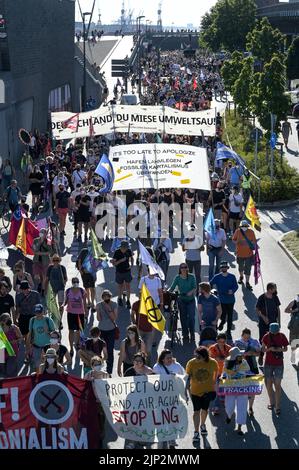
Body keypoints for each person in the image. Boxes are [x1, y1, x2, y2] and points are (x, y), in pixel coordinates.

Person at [153, 349, 185, 449]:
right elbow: (154, 382)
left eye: (171, 357)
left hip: (174, 397)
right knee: (161, 419)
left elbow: (184, 378)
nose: (170, 359)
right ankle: (161, 440)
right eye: (168, 358)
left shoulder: (177, 366)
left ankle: (172, 438)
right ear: (162, 359)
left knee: (173, 418)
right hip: (160, 398)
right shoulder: (157, 367)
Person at [186, 346, 218, 444]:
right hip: (195, 392)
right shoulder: (191, 363)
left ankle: (203, 425)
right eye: (196, 356)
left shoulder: (213, 363)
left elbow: (215, 376)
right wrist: (187, 391)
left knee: (205, 410)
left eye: (199, 357)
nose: (197, 359)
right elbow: (187, 377)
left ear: (205, 356)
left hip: (207, 391)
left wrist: (214, 390)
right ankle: (196, 432)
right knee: (196, 411)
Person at [223, 347, 251, 435]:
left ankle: (239, 427)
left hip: (242, 388)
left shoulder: (244, 362)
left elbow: (247, 371)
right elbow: (224, 373)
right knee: (229, 405)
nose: (241, 355)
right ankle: (229, 415)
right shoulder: (227, 362)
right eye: (239, 355)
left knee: (242, 407)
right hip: (230, 388)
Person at [262, 323, 288, 415]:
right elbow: (263, 350)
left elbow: (285, 349)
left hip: (279, 364)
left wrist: (277, 350)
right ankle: (271, 401)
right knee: (268, 384)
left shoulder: (282, 336)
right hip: (268, 363)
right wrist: (270, 349)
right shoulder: (266, 336)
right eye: (273, 333)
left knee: (277, 385)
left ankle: (277, 406)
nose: (274, 334)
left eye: (275, 332)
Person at [234, 328, 261, 416]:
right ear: (242, 335)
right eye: (245, 337)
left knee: (252, 389)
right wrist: (242, 354)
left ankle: (250, 407)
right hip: (240, 369)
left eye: (248, 337)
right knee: (242, 389)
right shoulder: (237, 342)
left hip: (252, 368)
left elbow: (259, 353)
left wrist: (251, 353)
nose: (246, 339)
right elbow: (233, 355)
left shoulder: (254, 342)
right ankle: (243, 407)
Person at [169, 263, 197, 342]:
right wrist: (167, 292)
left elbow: (195, 287)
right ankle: (185, 334)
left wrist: (190, 292)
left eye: (185, 267)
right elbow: (172, 287)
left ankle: (192, 334)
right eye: (182, 267)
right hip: (181, 300)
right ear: (180, 269)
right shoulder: (177, 278)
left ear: (187, 268)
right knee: (183, 318)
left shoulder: (191, 276)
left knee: (191, 317)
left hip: (190, 300)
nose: (184, 269)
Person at [210, 261, 238, 338]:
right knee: (222, 314)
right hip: (221, 300)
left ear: (227, 268)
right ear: (220, 268)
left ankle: (228, 331)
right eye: (222, 267)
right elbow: (210, 283)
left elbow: (236, 286)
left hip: (230, 300)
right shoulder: (217, 276)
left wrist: (232, 290)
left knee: (230, 316)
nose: (224, 268)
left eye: (225, 267)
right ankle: (222, 322)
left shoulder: (232, 276)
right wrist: (212, 292)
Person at [256, 282, 281, 365]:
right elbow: (257, 310)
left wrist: (279, 322)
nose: (275, 290)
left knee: (274, 340)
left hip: (273, 323)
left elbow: (278, 310)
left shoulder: (275, 297)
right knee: (263, 340)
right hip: (264, 323)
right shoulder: (262, 298)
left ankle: (273, 358)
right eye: (274, 288)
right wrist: (264, 317)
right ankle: (261, 355)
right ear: (270, 289)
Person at [26, 304, 55, 372]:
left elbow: (55, 335)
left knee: (48, 364)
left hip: (48, 347)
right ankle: (38, 379)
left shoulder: (48, 320)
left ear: (43, 311)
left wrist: (48, 332)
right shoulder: (32, 320)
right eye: (37, 312)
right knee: (37, 365)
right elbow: (30, 334)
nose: (38, 314)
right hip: (36, 346)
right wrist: (27, 348)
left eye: (40, 312)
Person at [209, 333, 231, 415]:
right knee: (216, 390)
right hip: (216, 372)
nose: (222, 343)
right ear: (217, 340)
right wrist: (216, 358)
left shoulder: (229, 348)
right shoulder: (212, 348)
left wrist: (223, 359)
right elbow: (209, 359)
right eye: (220, 341)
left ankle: (223, 399)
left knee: (225, 389)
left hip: (226, 372)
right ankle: (215, 407)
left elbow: (231, 359)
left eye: (223, 341)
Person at [64, 277, 88, 356]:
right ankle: (71, 348)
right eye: (74, 282)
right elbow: (65, 301)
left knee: (78, 330)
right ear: (72, 283)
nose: (75, 283)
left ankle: (77, 344)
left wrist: (86, 313)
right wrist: (62, 305)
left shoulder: (82, 291)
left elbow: (84, 303)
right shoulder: (68, 291)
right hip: (70, 313)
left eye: (77, 282)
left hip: (80, 314)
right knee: (71, 331)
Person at [96, 290, 118, 376]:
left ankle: (109, 370)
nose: (106, 298)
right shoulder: (99, 305)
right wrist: (98, 311)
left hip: (111, 330)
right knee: (99, 349)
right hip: (101, 330)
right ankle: (98, 368)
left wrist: (108, 308)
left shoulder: (114, 304)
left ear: (110, 296)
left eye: (107, 296)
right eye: (104, 296)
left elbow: (114, 318)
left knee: (109, 350)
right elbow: (99, 319)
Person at [232, 219, 256, 290]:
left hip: (249, 254)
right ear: (240, 226)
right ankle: (241, 276)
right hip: (239, 254)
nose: (244, 227)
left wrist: (251, 245)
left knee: (248, 269)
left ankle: (247, 282)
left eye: (245, 226)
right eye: (243, 226)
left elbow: (254, 242)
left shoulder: (251, 232)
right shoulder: (237, 231)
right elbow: (233, 240)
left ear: (247, 226)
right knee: (240, 267)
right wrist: (237, 242)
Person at [131, 297, 154, 361]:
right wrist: (135, 324)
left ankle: (148, 363)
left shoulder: (150, 303)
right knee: (137, 347)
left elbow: (155, 314)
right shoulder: (136, 304)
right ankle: (136, 363)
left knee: (148, 349)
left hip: (149, 330)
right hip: (139, 329)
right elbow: (132, 314)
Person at [45, 254, 67, 321]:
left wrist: (64, 282)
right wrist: (45, 289)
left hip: (60, 287)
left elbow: (66, 278)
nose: (55, 262)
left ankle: (60, 318)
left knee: (61, 304)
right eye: (54, 260)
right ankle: (54, 317)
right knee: (52, 304)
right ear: (52, 261)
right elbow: (47, 279)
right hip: (52, 288)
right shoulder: (50, 268)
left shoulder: (62, 268)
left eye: (57, 260)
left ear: (59, 260)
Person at [112, 240, 134, 309]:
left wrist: (132, 265)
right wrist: (121, 261)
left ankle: (128, 300)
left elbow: (132, 258)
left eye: (127, 248)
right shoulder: (117, 252)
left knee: (128, 286)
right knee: (120, 286)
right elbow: (114, 263)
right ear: (121, 247)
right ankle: (120, 298)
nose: (126, 249)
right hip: (119, 272)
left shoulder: (128, 251)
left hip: (127, 271)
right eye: (125, 248)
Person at [0, 313, 22, 377]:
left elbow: (21, 338)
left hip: (12, 351)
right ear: (2, 321)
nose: (10, 320)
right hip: (1, 352)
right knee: (2, 370)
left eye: (10, 318)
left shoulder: (14, 328)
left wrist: (16, 341)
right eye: (8, 319)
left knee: (9, 372)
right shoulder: (0, 329)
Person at [76, 245, 96, 311]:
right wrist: (80, 270)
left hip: (91, 273)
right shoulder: (84, 250)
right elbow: (79, 260)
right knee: (86, 288)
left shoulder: (95, 251)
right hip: (84, 273)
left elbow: (97, 262)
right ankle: (89, 302)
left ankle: (93, 303)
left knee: (92, 288)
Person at [32, 228, 52, 295]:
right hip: (37, 260)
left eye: (43, 232)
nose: (41, 233)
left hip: (45, 261)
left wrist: (41, 253)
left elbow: (50, 251)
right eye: (41, 232)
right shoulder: (35, 240)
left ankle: (43, 290)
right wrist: (40, 243)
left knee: (44, 276)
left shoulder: (48, 241)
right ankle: (40, 284)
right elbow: (34, 250)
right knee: (36, 276)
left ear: (46, 234)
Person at [285, 294, 299, 361]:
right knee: (294, 342)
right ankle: (293, 355)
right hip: (294, 327)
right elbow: (286, 310)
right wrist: (294, 311)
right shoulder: (294, 302)